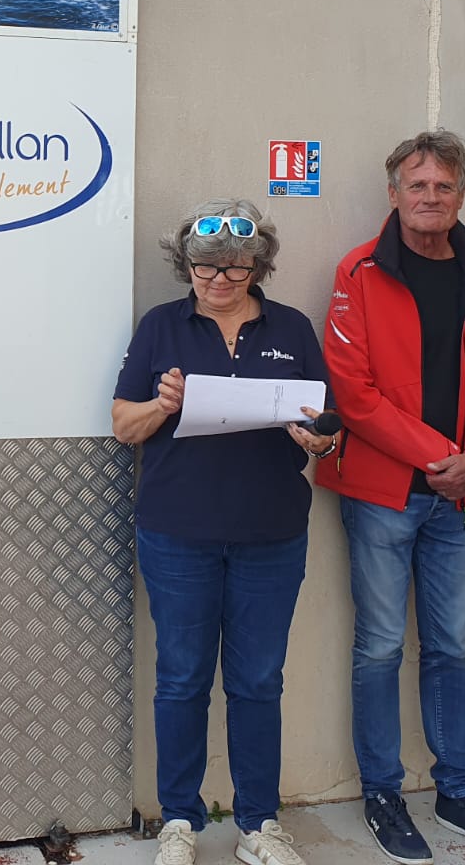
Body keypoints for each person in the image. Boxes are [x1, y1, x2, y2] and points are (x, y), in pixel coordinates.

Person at [321, 130, 465, 864]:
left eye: (443, 186)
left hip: (457, 497)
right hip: (384, 493)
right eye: (417, 185)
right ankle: (382, 792)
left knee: (449, 647)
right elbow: (353, 393)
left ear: (460, 195)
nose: (430, 197)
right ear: (394, 193)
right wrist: (443, 456)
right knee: (380, 646)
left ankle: (458, 791)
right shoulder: (359, 272)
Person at [114, 201, 334, 865]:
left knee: (259, 681)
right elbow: (123, 425)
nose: (219, 280)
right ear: (185, 264)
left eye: (236, 268)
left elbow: (325, 425)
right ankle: (180, 821)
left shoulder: (291, 327)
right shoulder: (161, 326)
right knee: (181, 678)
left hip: (272, 532)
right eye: (205, 267)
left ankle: (259, 824)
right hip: (178, 532)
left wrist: (319, 440)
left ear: (257, 266)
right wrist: (163, 404)